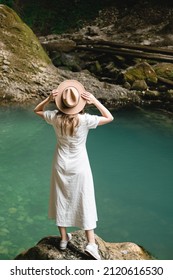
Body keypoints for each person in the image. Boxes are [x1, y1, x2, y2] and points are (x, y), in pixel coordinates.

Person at [34, 79, 114, 259]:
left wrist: (48, 99)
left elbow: (37, 110)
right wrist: (95, 100)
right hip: (80, 166)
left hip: (60, 164)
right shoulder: (85, 120)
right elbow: (110, 117)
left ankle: (63, 239)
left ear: (61, 102)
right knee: (84, 198)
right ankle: (91, 244)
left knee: (60, 198)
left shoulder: (55, 117)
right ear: (80, 102)